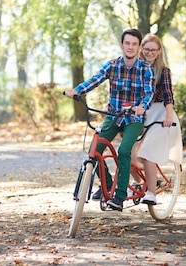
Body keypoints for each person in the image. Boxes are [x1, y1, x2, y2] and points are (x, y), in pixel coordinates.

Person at [64, 28, 155, 211]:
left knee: (124, 151)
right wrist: (77, 91)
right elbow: (95, 80)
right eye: (127, 43)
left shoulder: (146, 69)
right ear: (122, 45)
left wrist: (141, 107)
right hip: (113, 116)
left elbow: (149, 93)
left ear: (138, 47)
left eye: (134, 44)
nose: (130, 47)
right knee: (94, 150)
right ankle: (107, 183)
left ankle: (119, 196)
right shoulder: (112, 65)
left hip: (134, 118)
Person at [131, 33, 183, 205]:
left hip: (160, 113)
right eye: (146, 49)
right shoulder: (135, 68)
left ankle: (151, 193)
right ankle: (139, 183)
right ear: (141, 49)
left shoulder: (163, 71)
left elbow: (168, 95)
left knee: (148, 152)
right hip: (142, 113)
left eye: (153, 50)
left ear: (160, 51)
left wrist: (169, 116)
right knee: (127, 152)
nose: (149, 53)